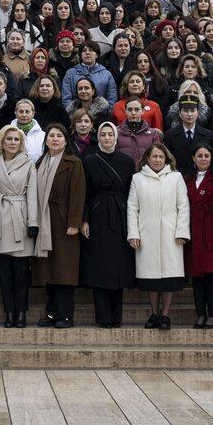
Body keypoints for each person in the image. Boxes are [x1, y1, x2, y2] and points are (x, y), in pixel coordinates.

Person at [79, 119, 135, 329]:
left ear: (116, 136)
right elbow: (84, 192)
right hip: (97, 215)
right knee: (99, 266)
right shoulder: (89, 160)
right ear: (98, 137)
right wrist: (84, 218)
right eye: (103, 134)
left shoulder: (127, 161)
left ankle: (116, 316)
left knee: (118, 266)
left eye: (110, 134)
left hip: (120, 216)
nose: (107, 138)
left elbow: (132, 193)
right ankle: (103, 317)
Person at [126, 140, 188, 330]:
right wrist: (133, 233)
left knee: (169, 278)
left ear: (166, 158)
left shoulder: (176, 177)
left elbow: (183, 206)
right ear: (148, 158)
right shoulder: (138, 178)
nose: (158, 160)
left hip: (171, 234)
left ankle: (165, 315)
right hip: (147, 234)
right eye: (154, 156)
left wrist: (182, 231)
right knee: (150, 277)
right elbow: (132, 207)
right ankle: (154, 313)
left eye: (161, 156)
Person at [32, 124, 86, 328]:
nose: (55, 139)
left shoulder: (73, 163)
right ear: (45, 141)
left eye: (59, 136)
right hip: (44, 221)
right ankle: (51, 313)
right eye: (51, 136)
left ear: (65, 140)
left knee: (64, 270)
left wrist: (74, 222)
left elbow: (78, 194)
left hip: (64, 222)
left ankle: (66, 315)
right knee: (48, 270)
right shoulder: (39, 162)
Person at [183, 143, 213, 330]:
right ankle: (200, 313)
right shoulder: (187, 179)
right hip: (194, 231)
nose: (203, 159)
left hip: (212, 231)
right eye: (200, 155)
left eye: (207, 156)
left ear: (212, 159)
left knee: (212, 276)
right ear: (193, 159)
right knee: (197, 277)